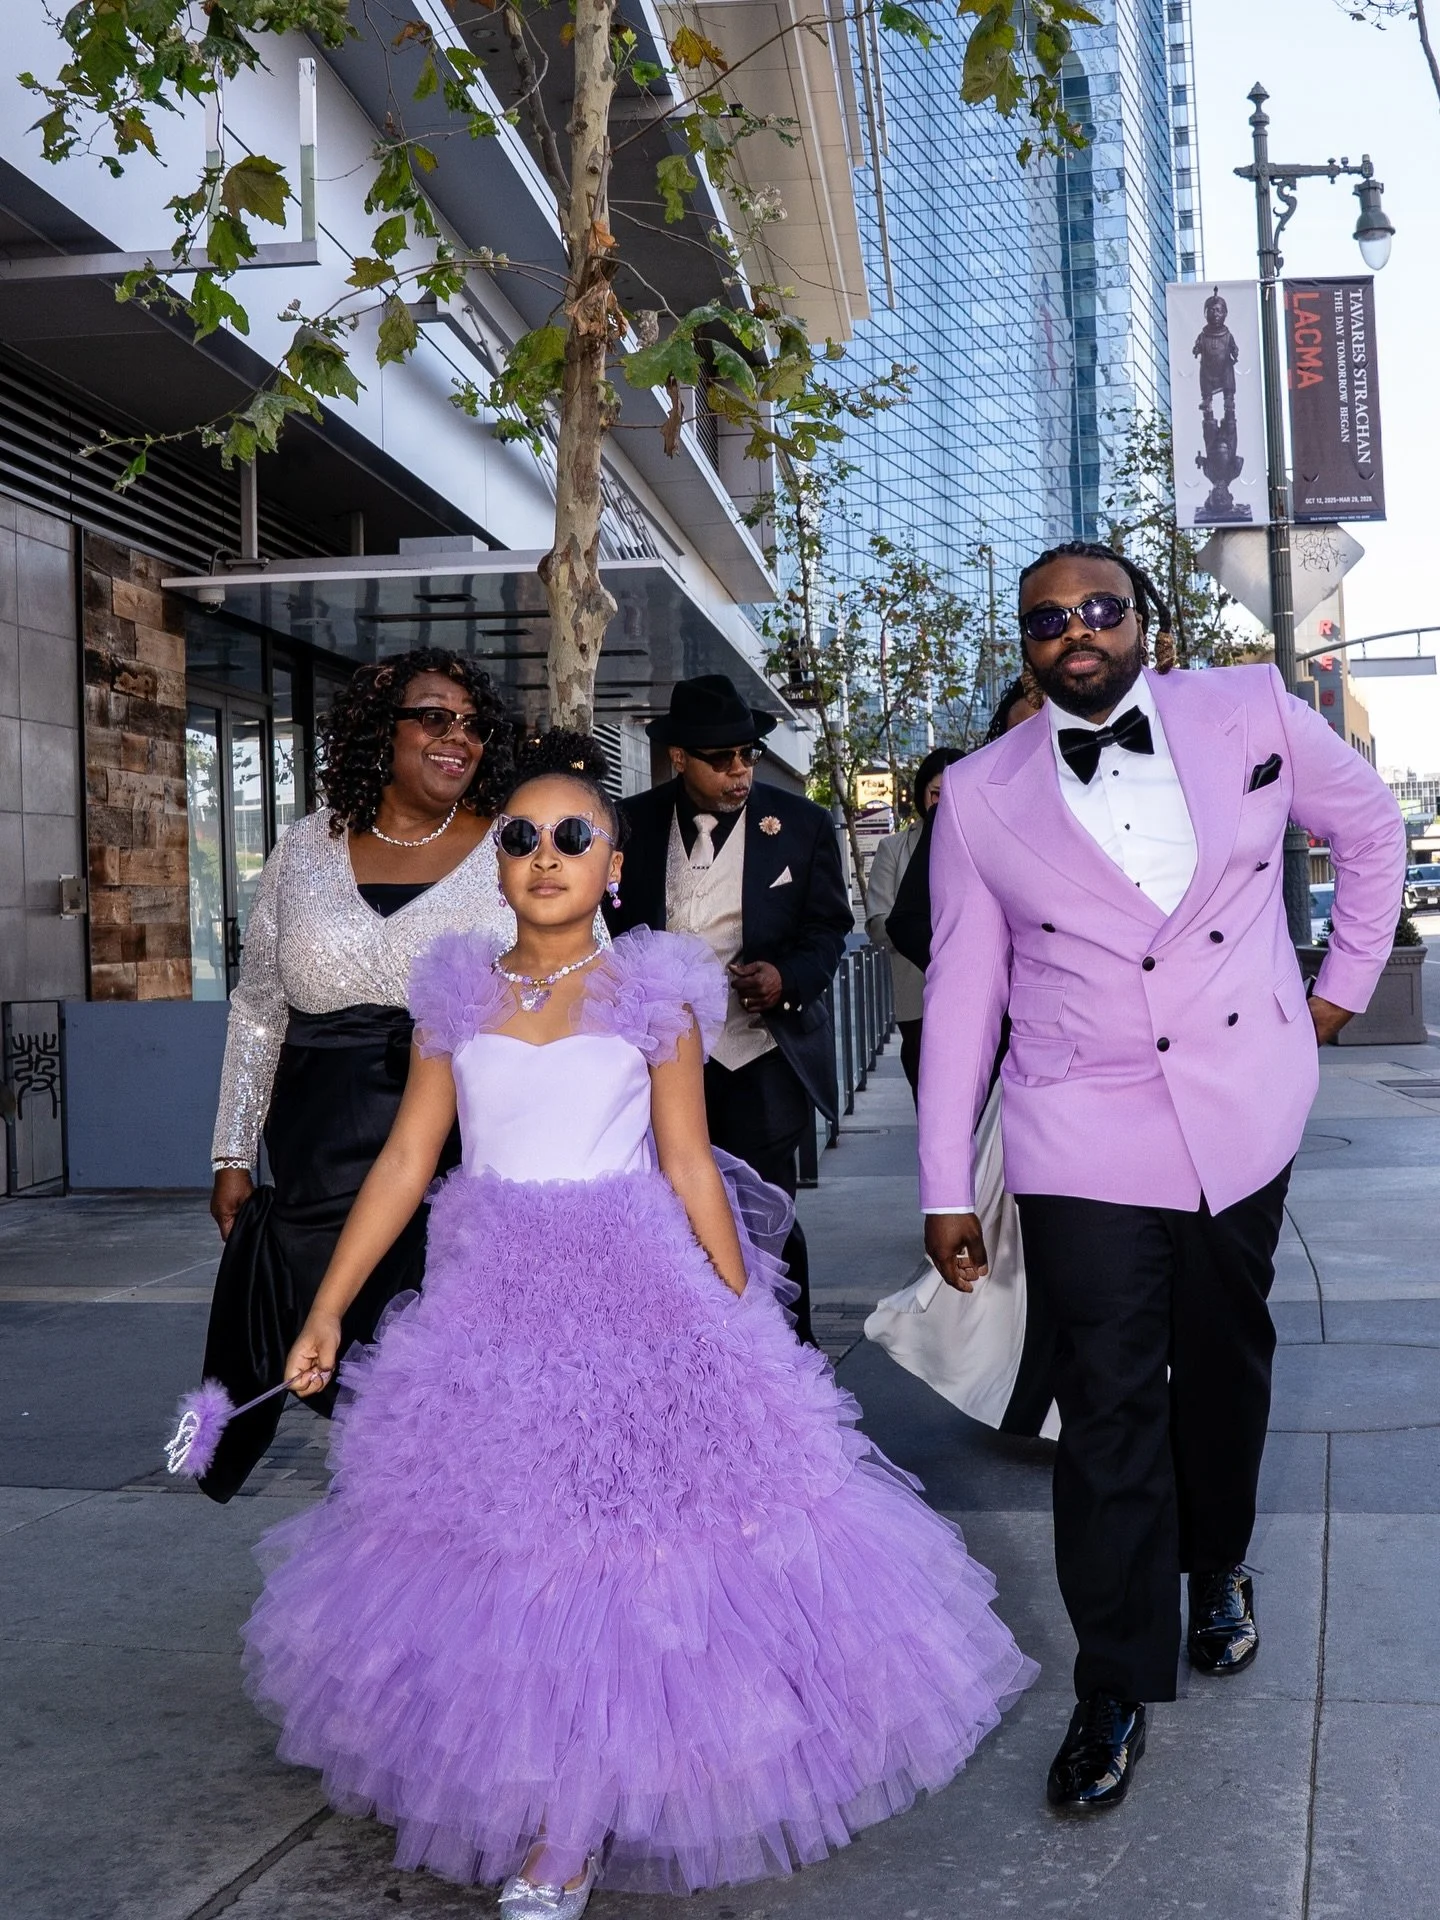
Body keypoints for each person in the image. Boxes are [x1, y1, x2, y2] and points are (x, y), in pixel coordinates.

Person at [241, 731, 1036, 1916]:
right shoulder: (455, 992)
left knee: (634, 1554)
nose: (545, 855)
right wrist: (327, 1307)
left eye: (574, 837)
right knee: (510, 1550)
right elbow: (410, 1160)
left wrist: (741, 1308)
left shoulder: (654, 992)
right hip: (490, 1307)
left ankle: (570, 1826)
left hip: (634, 1292)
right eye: (520, 838)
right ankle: (540, 1785)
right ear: (495, 866)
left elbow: (689, 1163)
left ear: (613, 866)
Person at [919, 540, 1405, 1810]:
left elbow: (1366, 830)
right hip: (1081, 1126)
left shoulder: (1247, 708)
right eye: (1046, 621)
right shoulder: (976, 793)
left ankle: (1222, 1560)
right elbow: (965, 991)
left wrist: (1340, 991)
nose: (1075, 631)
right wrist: (943, 1183)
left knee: (1226, 1354)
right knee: (1111, 1397)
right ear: (1023, 646)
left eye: (1099, 610)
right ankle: (1114, 1681)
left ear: (1151, 624)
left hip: (1242, 1107)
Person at [200, 648, 516, 1500]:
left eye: (475, 726)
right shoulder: (305, 848)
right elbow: (261, 1006)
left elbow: (568, 986)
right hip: (314, 1152)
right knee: (334, 1354)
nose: (461, 740)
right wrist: (233, 1150)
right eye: (436, 718)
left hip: (454, 1147)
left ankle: (431, 1539)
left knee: (435, 1360)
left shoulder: (512, 850)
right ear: (383, 729)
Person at [603, 674, 852, 1344]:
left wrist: (786, 977)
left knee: (766, 1215)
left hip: (760, 1057)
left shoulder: (799, 824)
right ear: (679, 758)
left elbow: (828, 928)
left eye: (747, 754)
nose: (740, 769)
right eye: (722, 758)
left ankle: (786, 1360)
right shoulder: (629, 823)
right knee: (669, 1216)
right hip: (655, 1063)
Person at [867, 684, 1056, 1442]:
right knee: (1035, 1242)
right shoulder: (974, 809)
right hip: (1019, 1061)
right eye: (1026, 725)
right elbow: (913, 919)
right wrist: (988, 980)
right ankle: (1046, 1401)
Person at [865, 746, 966, 1097]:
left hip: (972, 996)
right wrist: (922, 934)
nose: (943, 803)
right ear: (922, 792)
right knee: (930, 1097)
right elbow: (878, 922)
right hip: (918, 996)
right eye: (936, 793)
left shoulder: (981, 842)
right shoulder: (893, 848)